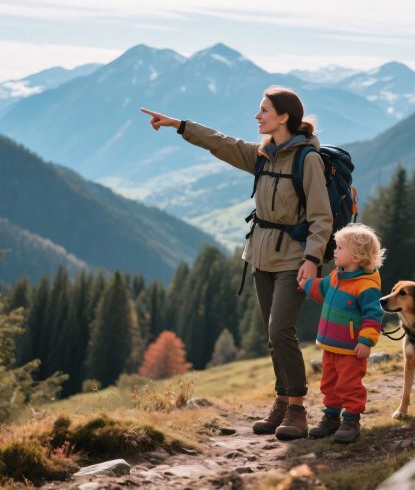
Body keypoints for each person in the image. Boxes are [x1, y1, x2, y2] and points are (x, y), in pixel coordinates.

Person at [142, 86, 333, 440]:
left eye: (263, 110)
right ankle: (280, 402)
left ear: (283, 117)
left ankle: (297, 409)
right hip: (261, 256)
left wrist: (311, 258)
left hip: (294, 259)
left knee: (281, 331)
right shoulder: (262, 154)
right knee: (272, 336)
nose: (257, 116)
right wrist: (179, 125)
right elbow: (220, 142)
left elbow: (322, 218)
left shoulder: (308, 160)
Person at [299, 223, 386, 443]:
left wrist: (366, 341)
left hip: (350, 350)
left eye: (339, 248)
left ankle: (351, 420)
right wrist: (306, 284)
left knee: (349, 385)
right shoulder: (337, 276)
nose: (334, 251)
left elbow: (373, 316)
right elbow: (322, 288)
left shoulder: (366, 287)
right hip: (330, 346)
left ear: (356, 256)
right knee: (329, 383)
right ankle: (331, 418)